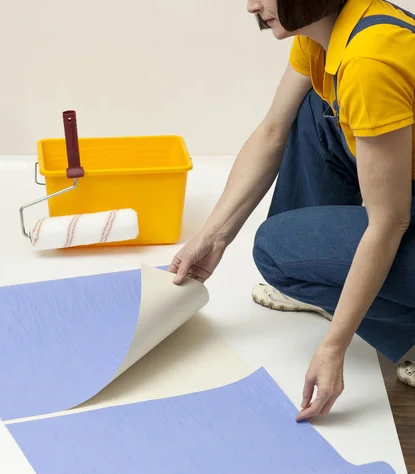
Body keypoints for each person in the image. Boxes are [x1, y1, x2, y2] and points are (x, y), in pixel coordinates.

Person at [168, 0, 415, 422]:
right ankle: (327, 274)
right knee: (315, 107)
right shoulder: (332, 30)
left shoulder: (370, 61)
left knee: (274, 251)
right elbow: (271, 131)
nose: (251, 5)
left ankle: (408, 336)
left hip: (398, 211)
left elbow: (389, 221)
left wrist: (334, 346)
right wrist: (213, 235)